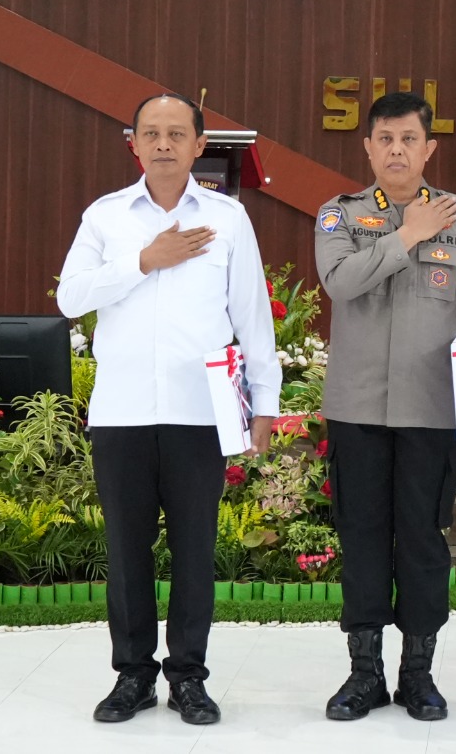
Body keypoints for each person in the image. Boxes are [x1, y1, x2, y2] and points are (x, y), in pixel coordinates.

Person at [57, 92, 280, 726]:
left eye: (176, 134)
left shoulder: (228, 218)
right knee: (127, 552)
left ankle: (188, 677)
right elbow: (70, 297)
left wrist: (264, 404)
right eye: (150, 133)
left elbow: (253, 317)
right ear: (133, 143)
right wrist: (143, 261)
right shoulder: (105, 217)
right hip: (122, 413)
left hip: (200, 414)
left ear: (198, 145)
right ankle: (132, 675)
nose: (162, 144)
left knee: (194, 551)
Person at [314, 91, 456, 723]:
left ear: (429, 149)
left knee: (424, 541)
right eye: (385, 139)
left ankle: (418, 673)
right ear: (368, 148)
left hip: (432, 408)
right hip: (358, 408)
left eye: (408, 139)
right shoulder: (340, 216)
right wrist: (405, 236)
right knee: (363, 537)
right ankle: (364, 673)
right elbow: (340, 282)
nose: (396, 150)